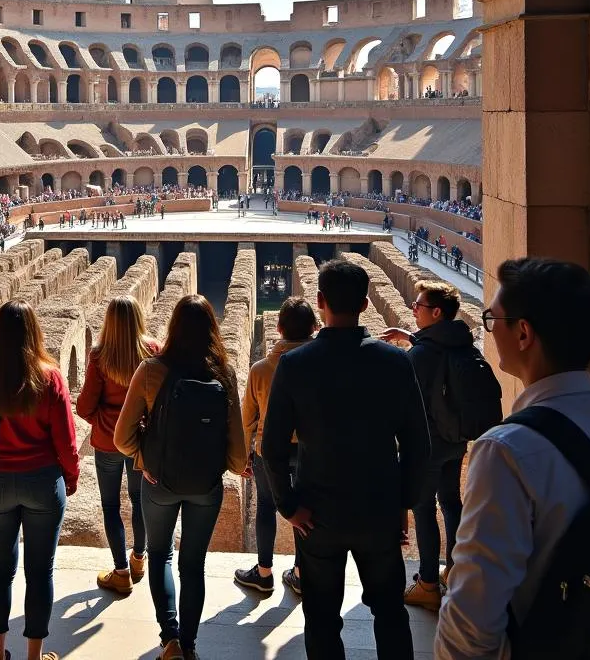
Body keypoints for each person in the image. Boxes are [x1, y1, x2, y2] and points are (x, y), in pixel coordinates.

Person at [435, 258, 590, 660]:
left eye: (492, 318)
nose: (490, 328)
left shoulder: (504, 452)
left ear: (523, 333)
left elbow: (470, 623)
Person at [263, 260, 431, 660]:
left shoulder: (295, 364)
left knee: (321, 618)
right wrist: (403, 503)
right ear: (365, 302)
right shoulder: (394, 361)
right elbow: (417, 444)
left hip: (317, 515)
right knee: (390, 613)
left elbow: (272, 447)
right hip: (378, 510)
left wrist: (288, 506)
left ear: (320, 301)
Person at [114, 294, 248, 660]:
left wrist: (148, 460)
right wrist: (218, 466)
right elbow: (238, 456)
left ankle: (170, 639)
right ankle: (189, 644)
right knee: (193, 564)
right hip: (206, 487)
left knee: (159, 554)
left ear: (173, 326)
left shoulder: (151, 369)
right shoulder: (225, 373)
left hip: (160, 482)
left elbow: (122, 438)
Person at [0, 301, 79, 660]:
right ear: (33, 333)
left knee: (0, 569)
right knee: (40, 572)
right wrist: (69, 477)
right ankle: (35, 656)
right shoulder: (49, 376)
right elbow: (67, 443)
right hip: (42, 481)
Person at [379, 281, 473, 611]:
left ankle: (428, 584)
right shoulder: (461, 341)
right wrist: (410, 336)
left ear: (436, 312)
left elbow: (401, 401)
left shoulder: (420, 355)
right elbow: (437, 350)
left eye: (418, 305)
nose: (412, 309)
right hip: (456, 439)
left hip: (428, 444)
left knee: (422, 509)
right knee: (451, 500)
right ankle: (455, 571)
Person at [76, 296, 161, 594]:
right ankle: (139, 558)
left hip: (108, 440)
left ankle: (121, 572)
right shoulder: (151, 350)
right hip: (139, 441)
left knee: (111, 505)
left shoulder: (99, 355)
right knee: (140, 500)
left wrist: (102, 419)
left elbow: (85, 405)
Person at [235, 296, 317, 597]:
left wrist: (245, 452)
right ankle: (300, 572)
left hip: (269, 450)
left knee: (267, 507)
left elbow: (248, 418)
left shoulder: (260, 369)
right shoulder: (319, 364)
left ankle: (264, 572)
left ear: (279, 328)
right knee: (304, 510)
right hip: (309, 450)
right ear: (313, 327)